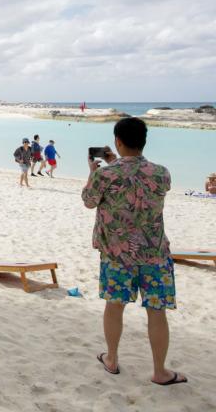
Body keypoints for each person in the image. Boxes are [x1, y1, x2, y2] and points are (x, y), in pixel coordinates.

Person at [82, 117, 186, 386]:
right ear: (144, 141)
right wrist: (119, 160)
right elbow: (140, 181)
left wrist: (95, 171)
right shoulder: (162, 173)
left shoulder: (105, 174)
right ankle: (160, 371)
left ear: (117, 141)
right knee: (157, 311)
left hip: (117, 255)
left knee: (114, 307)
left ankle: (113, 359)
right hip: (154, 253)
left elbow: (88, 201)